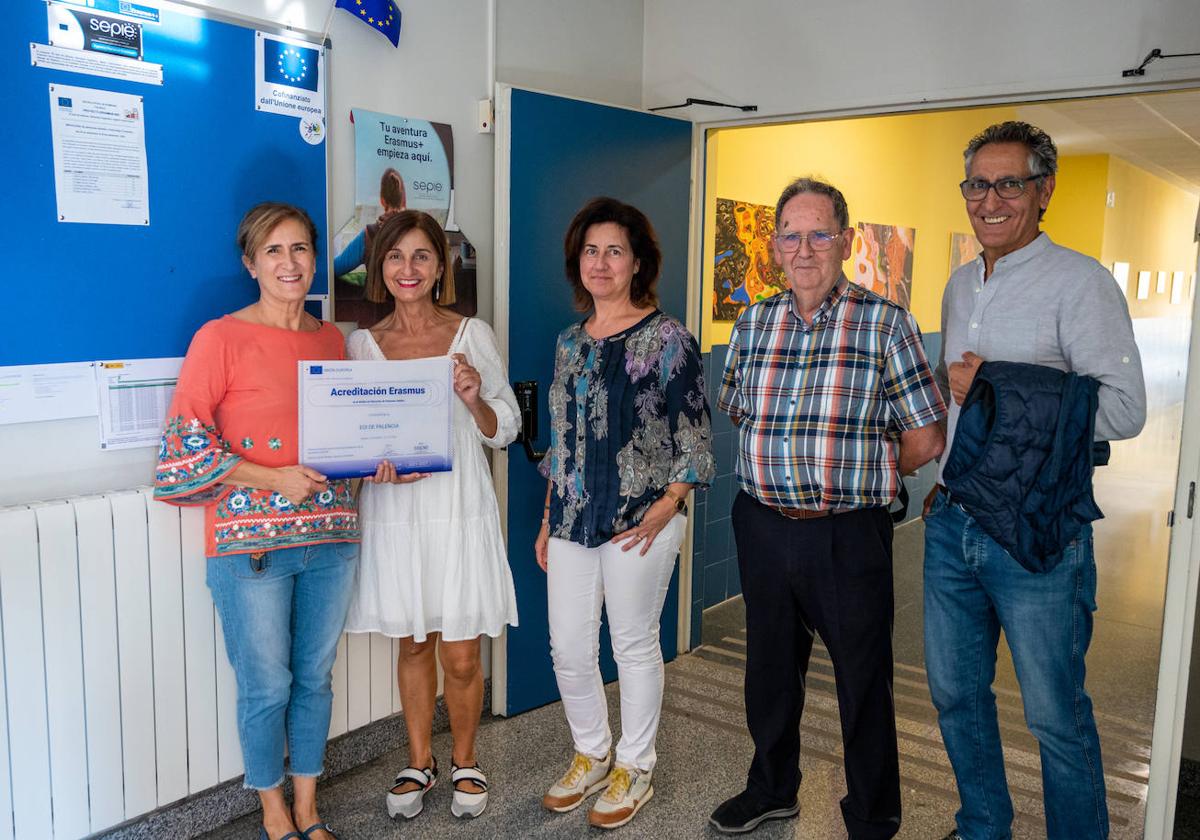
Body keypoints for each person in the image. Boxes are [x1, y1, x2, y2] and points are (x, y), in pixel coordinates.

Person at [923, 121, 1146, 840]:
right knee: (956, 695)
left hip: (1039, 536)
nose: (989, 200)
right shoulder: (961, 282)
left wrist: (995, 386)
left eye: (1008, 183)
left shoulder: (1081, 284)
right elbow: (961, 408)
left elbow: (1123, 410)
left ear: (1043, 190)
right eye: (977, 184)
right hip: (953, 524)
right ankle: (983, 825)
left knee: (1054, 713)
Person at [709, 178, 946, 838]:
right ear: (776, 244)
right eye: (791, 234)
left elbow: (926, 436)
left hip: (847, 533)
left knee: (862, 681)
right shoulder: (754, 321)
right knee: (769, 671)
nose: (805, 247)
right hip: (760, 523)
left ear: (845, 240)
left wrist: (857, 470)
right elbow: (736, 404)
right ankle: (772, 788)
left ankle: (872, 817)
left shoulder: (884, 323)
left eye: (820, 233)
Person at [154, 202, 359, 840]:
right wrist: (274, 479)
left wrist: (382, 461)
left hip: (331, 539)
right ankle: (272, 812)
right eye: (273, 251)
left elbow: (344, 433)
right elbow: (183, 449)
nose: (289, 263)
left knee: (316, 678)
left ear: (313, 258)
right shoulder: (219, 339)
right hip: (250, 550)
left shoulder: (333, 341)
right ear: (250, 263)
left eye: (299, 249)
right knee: (266, 685)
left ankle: (308, 806)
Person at [535, 196, 715, 830]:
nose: (602, 262)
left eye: (615, 250)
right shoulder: (567, 344)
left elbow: (694, 436)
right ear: (577, 262)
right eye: (591, 250)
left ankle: (635, 765)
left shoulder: (669, 340)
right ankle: (590, 751)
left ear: (638, 263)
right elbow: (562, 439)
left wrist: (671, 505)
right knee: (567, 647)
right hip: (572, 520)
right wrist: (547, 516)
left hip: (643, 519)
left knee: (634, 645)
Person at [342, 210, 520, 821]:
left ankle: (466, 758)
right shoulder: (360, 346)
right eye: (396, 257)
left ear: (440, 266)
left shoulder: (473, 334)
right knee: (414, 643)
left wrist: (474, 399)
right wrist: (373, 463)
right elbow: (356, 438)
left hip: (458, 509)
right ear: (379, 269)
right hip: (397, 512)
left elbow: (505, 430)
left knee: (462, 654)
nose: (408, 269)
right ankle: (420, 759)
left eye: (421, 256)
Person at [333, 167, 406, 278]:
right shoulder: (417, 231)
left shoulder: (369, 235)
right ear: (403, 199)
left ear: (382, 200)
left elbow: (335, 268)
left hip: (377, 295)